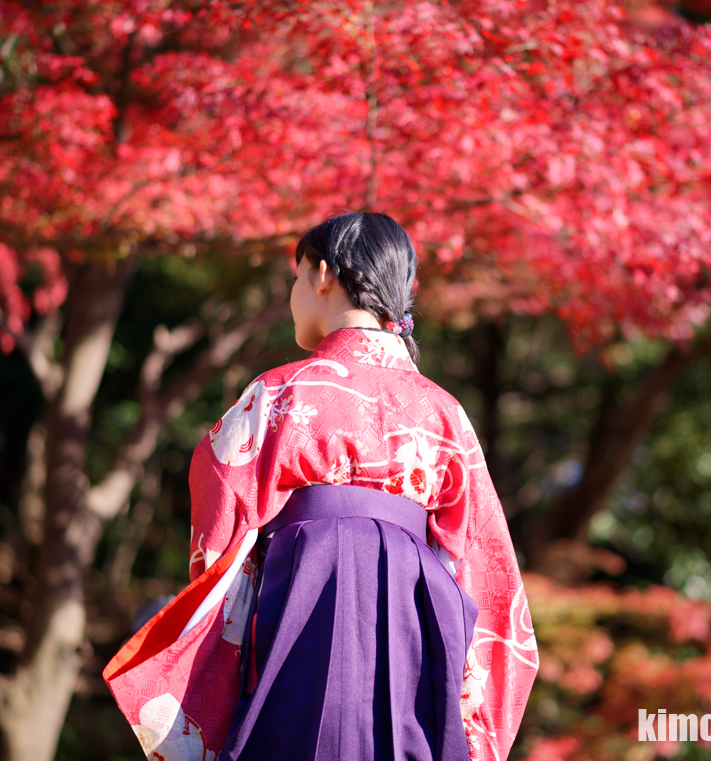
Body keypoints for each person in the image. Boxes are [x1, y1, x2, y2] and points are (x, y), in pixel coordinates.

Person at [105, 212, 537, 761]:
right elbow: (481, 561)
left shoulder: (280, 392)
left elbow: (221, 521)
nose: (294, 292)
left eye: (297, 275)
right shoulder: (444, 412)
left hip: (301, 602)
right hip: (414, 630)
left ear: (324, 274)